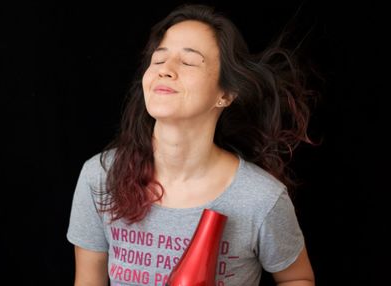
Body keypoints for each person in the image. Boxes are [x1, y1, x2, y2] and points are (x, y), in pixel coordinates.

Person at [67, 3, 316, 286]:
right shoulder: (100, 177)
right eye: (158, 61)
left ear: (225, 94)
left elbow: (298, 279)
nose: (165, 70)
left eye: (188, 62)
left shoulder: (260, 199)